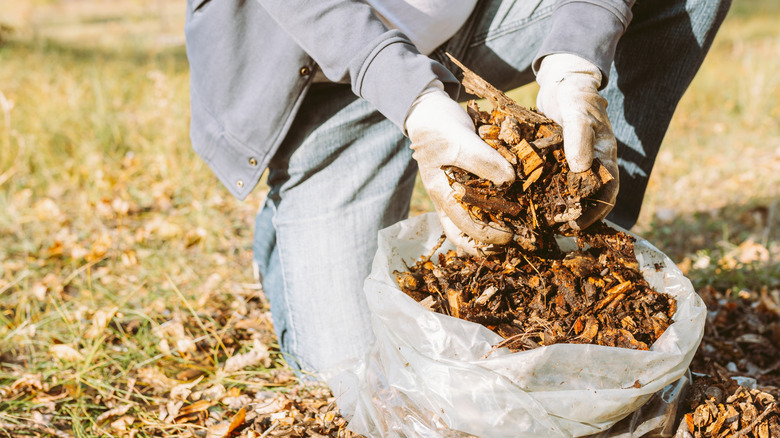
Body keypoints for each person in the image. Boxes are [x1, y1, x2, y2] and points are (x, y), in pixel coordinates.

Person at [183, 0, 730, 378]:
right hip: (326, 81)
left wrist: (574, 61)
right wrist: (415, 100)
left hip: (468, 29)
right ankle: (283, 227)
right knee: (347, 375)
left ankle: (583, 241)